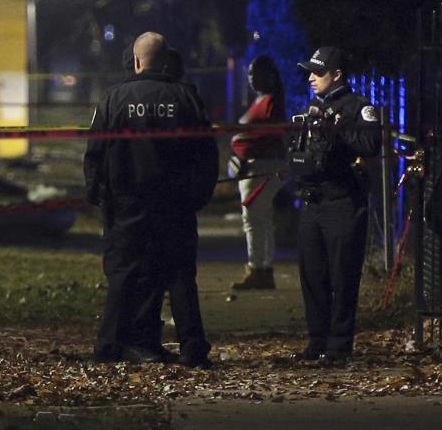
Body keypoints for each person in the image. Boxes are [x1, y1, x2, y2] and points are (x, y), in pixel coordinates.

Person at [84, 32, 218, 368]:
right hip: (175, 203)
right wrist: (199, 195)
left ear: (136, 60)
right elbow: (206, 153)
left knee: (123, 274)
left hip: (126, 202)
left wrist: (97, 192)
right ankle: (192, 346)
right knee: (180, 275)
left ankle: (110, 345)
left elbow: (95, 152)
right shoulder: (187, 98)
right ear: (165, 59)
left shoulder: (114, 99)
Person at [288, 46, 381, 366]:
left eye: (318, 72)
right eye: (310, 72)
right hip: (313, 200)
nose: (311, 78)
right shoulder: (314, 106)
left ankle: (339, 343)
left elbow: (371, 145)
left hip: (343, 201)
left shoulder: (358, 107)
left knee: (342, 274)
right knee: (312, 274)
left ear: (337, 75)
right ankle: (317, 340)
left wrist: (338, 127)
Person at [229, 56, 287, 290]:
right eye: (250, 74)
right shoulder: (260, 100)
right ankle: (263, 268)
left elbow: (271, 136)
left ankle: (258, 268)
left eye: (256, 73)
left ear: (270, 76)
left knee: (253, 219)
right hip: (254, 166)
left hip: (261, 168)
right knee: (261, 219)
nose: (251, 78)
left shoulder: (271, 102)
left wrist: (247, 146)